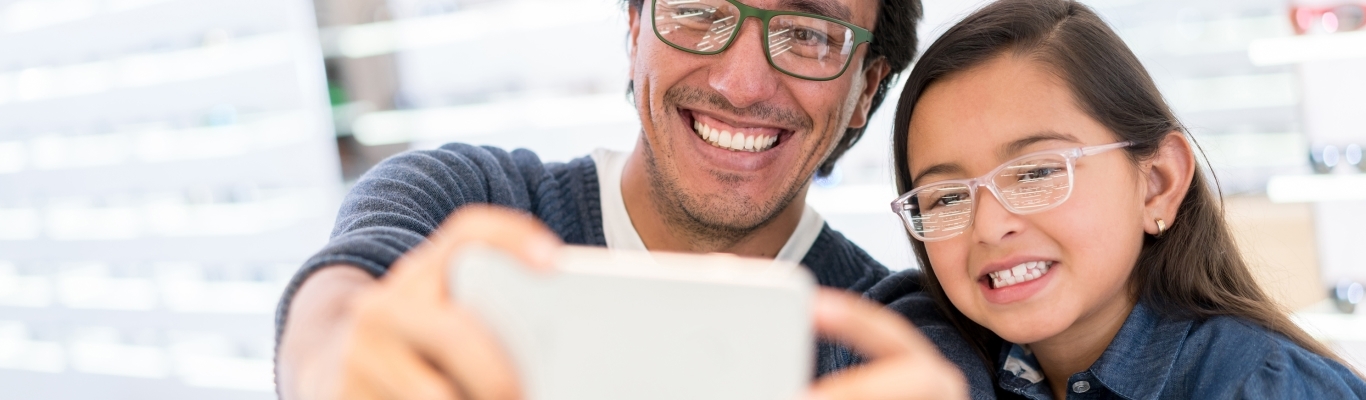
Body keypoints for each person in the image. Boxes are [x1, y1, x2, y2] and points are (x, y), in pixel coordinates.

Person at [273, 0, 988, 399]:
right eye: (699, 10)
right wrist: (335, 358)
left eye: (807, 34)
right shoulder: (464, 203)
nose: (742, 85)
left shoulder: (897, 337)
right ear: (633, 28)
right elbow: (342, 300)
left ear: (865, 89)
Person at [881, 0, 1366, 398]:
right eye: (945, 199)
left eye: (1035, 172)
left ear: (1158, 182)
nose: (988, 226)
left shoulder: (1264, 388)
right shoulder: (945, 372)